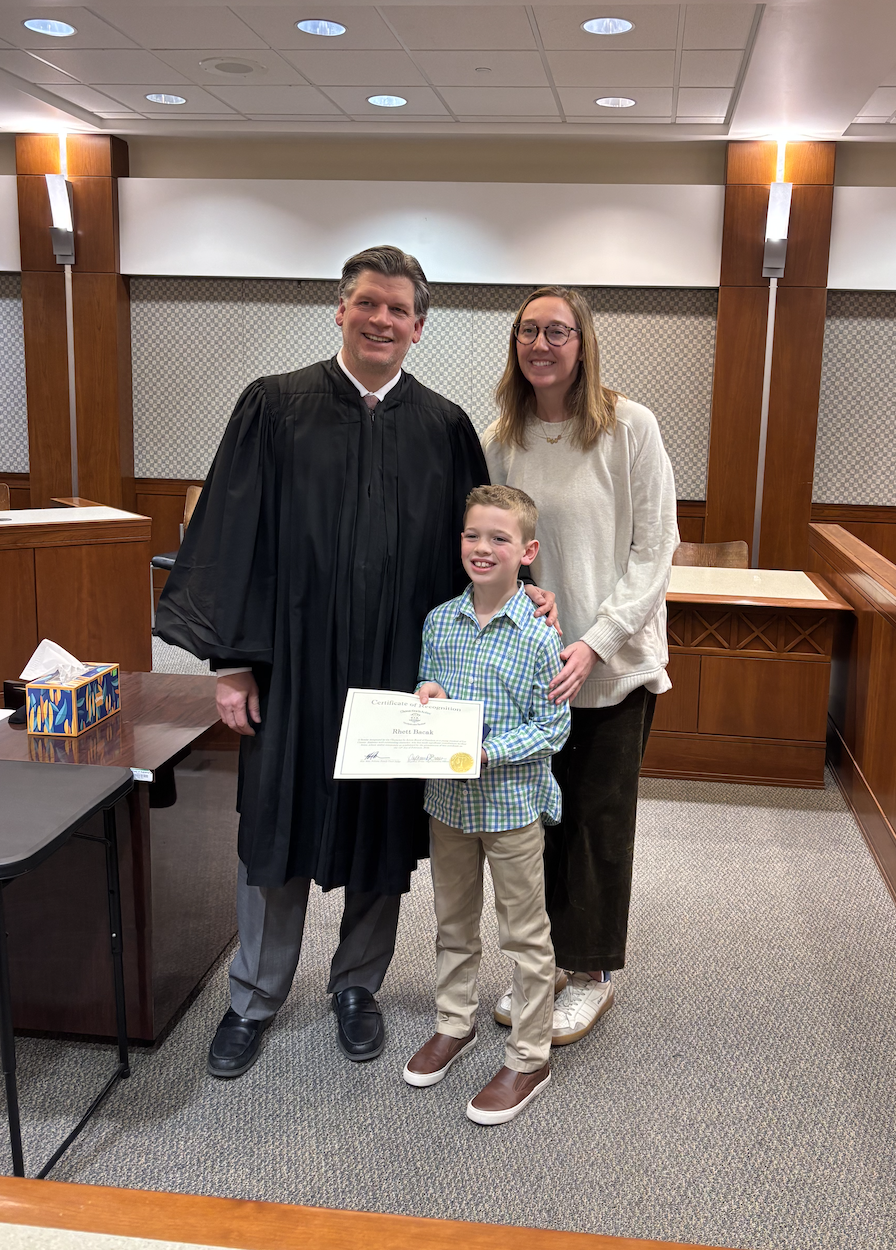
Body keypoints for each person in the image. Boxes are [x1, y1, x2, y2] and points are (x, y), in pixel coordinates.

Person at [155, 246, 556, 1077]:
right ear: (340, 309)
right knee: (275, 823)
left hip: (398, 671)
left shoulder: (443, 426)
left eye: (398, 310)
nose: (381, 320)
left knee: (380, 831)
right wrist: (230, 664)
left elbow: (480, 544)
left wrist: (528, 595)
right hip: (294, 665)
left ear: (419, 326)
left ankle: (356, 988)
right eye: (367, 304)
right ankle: (253, 996)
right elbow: (232, 536)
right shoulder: (274, 406)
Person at [482, 286, 678, 1046]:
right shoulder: (504, 435)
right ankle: (549, 962)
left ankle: (592, 973)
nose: (541, 343)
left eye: (556, 330)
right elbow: (496, 543)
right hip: (531, 669)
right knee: (538, 820)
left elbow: (653, 549)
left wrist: (595, 640)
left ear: (583, 342)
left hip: (610, 663)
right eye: (528, 330)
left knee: (597, 823)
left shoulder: (629, 427)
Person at [402, 485, 570, 1124]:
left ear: (526, 552)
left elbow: (552, 729)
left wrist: (482, 751)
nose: (483, 547)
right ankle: (454, 1020)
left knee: (525, 935)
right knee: (452, 920)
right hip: (446, 804)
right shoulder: (438, 621)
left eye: (499, 538)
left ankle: (530, 1056)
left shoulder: (540, 633)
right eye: (474, 535)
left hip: (510, 809)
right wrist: (428, 695)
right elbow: (427, 686)